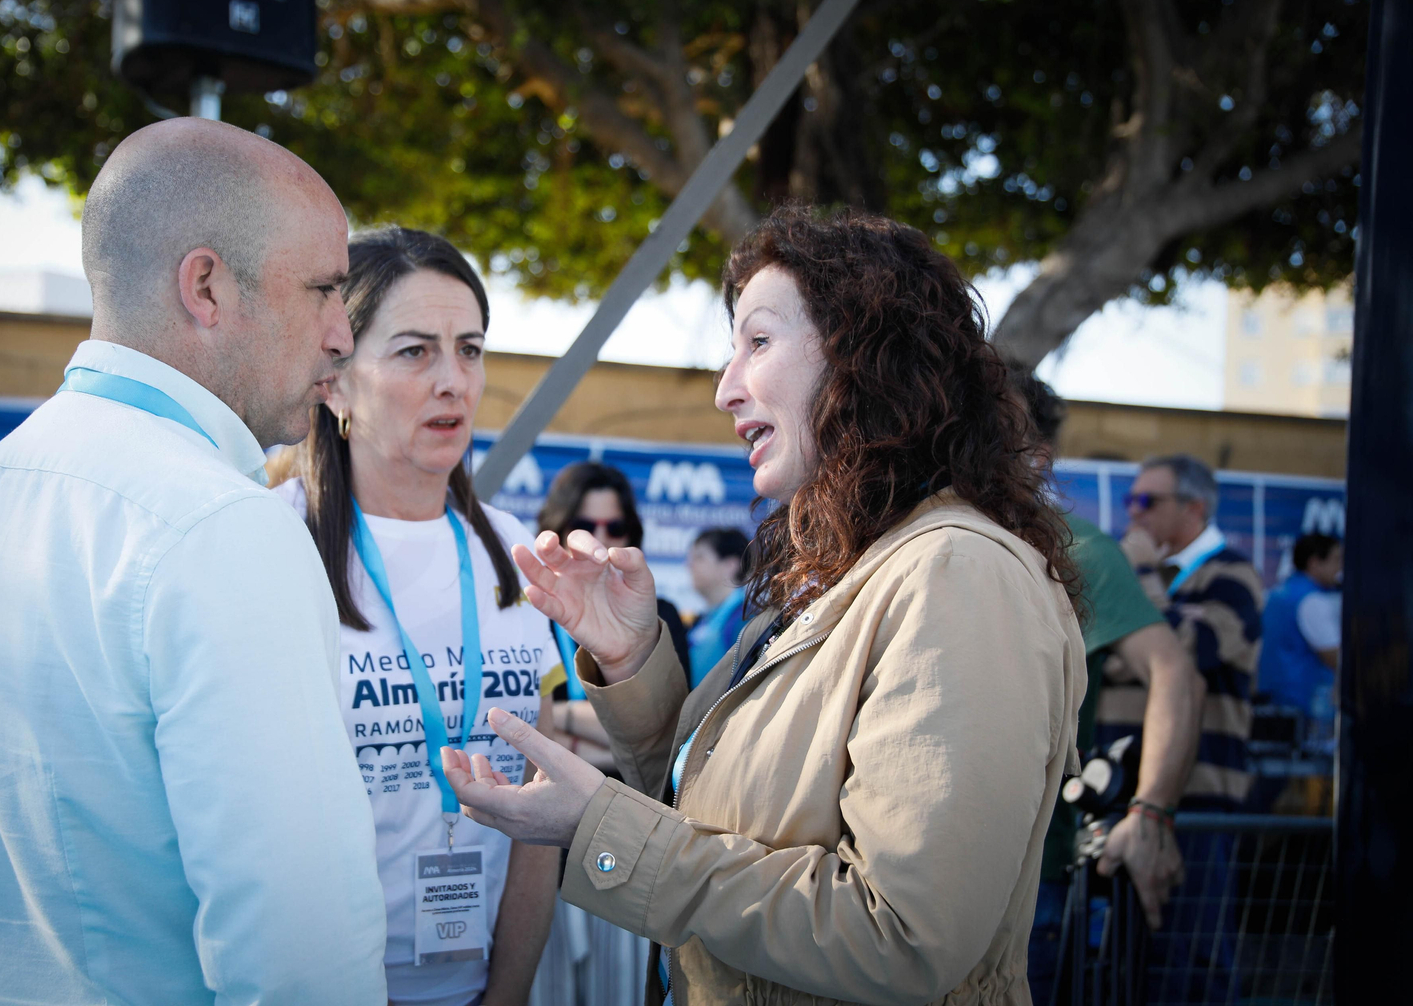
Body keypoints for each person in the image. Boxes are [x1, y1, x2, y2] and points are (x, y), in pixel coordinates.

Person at [443, 205, 1087, 1005]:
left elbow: (902, 942)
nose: (725, 389)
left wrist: (596, 828)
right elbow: (724, 819)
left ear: (867, 358)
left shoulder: (959, 573)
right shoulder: (860, 566)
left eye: (758, 342)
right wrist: (633, 660)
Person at [0, 118, 387, 1003]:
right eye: (322, 289)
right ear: (206, 286)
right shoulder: (224, 527)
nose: (341, 334)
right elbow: (302, 949)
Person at [275, 226, 557, 1006]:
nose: (453, 382)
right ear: (333, 380)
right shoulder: (269, 544)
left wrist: (504, 997)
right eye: (413, 352)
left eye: (469, 349)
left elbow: (542, 798)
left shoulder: (514, 550)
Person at [1009, 369, 1205, 1004]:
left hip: (1028, 886)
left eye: (990, 421)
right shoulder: (913, 530)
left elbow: (1177, 674)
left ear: (1036, 457)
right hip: (898, 876)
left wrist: (1151, 814)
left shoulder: (1075, 549)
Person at [1110, 454, 1265, 812]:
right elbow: (1103, 656)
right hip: (1117, 790)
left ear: (1193, 508)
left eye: (1147, 501)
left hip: (1196, 796)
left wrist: (1145, 574)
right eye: (1130, 500)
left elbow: (1184, 653)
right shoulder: (1141, 574)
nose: (1134, 512)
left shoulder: (1232, 574)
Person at [535, 462, 688, 771]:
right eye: (584, 526)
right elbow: (519, 732)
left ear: (630, 534)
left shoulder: (660, 613)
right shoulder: (531, 612)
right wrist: (626, 746)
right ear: (558, 528)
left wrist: (559, 719)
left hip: (637, 800)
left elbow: (674, 732)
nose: (600, 538)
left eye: (615, 527)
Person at [1258, 533, 1342, 729]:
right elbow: (1336, 659)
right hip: (1302, 710)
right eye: (1337, 560)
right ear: (1314, 563)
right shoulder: (1311, 601)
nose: (1341, 568)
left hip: (1273, 703)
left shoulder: (1278, 594)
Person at [683, 528, 750, 688]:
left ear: (730, 565)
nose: (689, 565)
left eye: (699, 557)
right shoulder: (707, 619)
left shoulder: (745, 619)